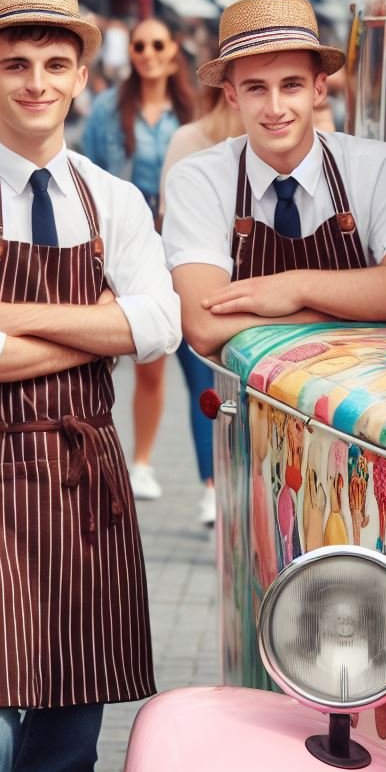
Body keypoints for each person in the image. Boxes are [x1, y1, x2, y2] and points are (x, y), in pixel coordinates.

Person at [0, 0, 180, 772]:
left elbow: (158, 328)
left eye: (55, 65)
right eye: (17, 64)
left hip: (83, 478)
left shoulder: (116, 199)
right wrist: (100, 330)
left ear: (80, 79)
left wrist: (5, 315)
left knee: (67, 739)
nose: (37, 83)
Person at [162, 0, 386, 360]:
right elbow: (203, 326)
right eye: (256, 88)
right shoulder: (198, 179)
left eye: (291, 85)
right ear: (232, 96)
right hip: (253, 402)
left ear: (319, 89)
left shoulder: (375, 167)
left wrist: (296, 288)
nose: (275, 108)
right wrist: (351, 309)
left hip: (359, 391)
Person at [83, 17, 194, 500]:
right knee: (117, 356)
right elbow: (86, 179)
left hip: (178, 243)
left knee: (177, 359)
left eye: (156, 44)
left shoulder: (191, 112)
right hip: (120, 245)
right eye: (139, 45)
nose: (147, 53)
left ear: (173, 52)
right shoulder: (107, 111)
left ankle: (170, 470)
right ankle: (119, 460)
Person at [159, 82, 245, 525]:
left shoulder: (273, 134)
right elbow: (171, 216)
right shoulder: (190, 140)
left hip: (249, 292)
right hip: (198, 287)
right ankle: (211, 486)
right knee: (203, 388)